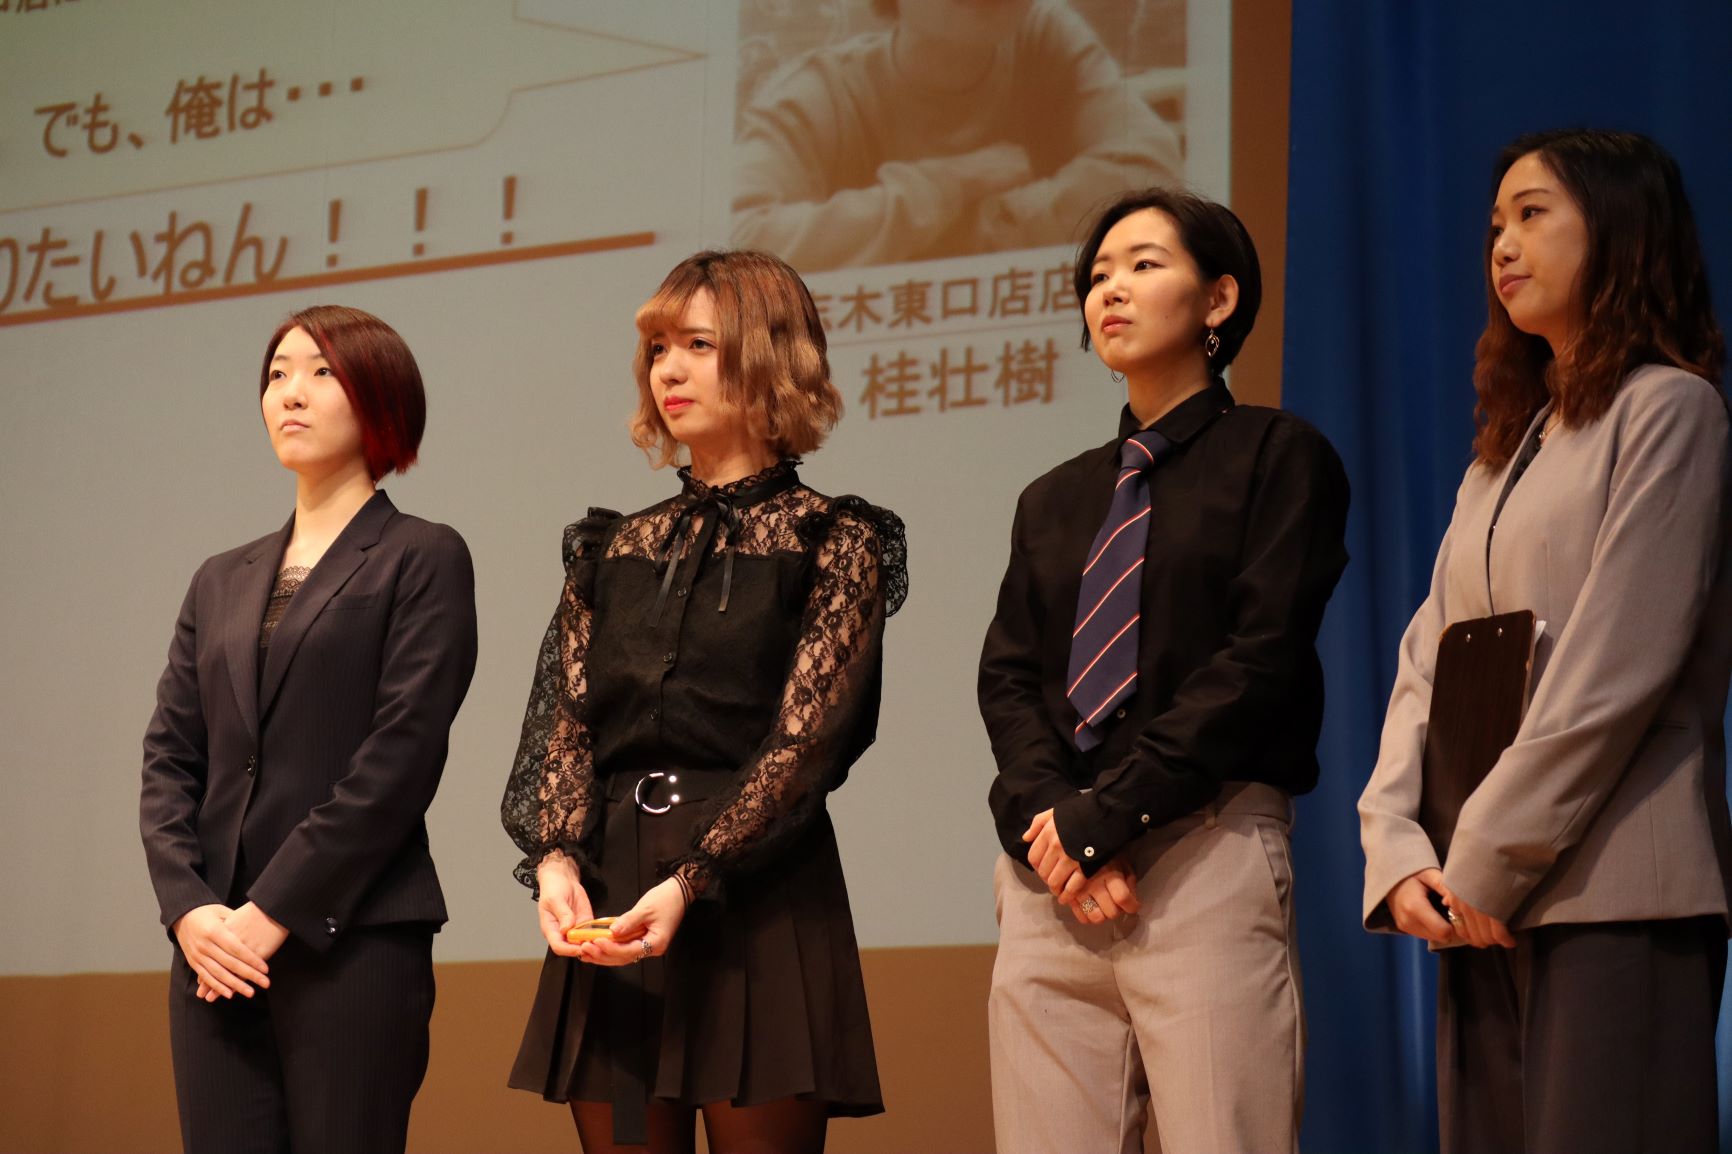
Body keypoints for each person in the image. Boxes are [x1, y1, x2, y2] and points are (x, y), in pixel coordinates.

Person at [1359, 128, 1732, 1154]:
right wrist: (1399, 848)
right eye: (1494, 224)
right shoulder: (1502, 452)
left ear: (1618, 230)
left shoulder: (1670, 410)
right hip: (1477, 896)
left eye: (1532, 214)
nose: (1502, 245)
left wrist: (1486, 856)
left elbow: (1615, 671)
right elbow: (1426, 661)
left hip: (1612, 889)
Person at [502, 249, 907, 1154]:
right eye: (657, 349)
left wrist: (695, 876)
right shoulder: (614, 548)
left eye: (697, 345)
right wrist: (559, 861)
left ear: (769, 355)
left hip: (757, 889)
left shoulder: (833, 539)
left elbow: (808, 743)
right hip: (613, 889)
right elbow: (566, 721)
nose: (668, 371)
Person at [979, 187, 1350, 1153]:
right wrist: (1057, 824)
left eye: (1144, 265)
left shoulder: (1279, 455)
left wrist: (1110, 817)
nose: (1111, 288)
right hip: (1051, 883)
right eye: (1098, 274)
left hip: (1202, 852)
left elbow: (1260, 659)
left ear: (1219, 298)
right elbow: (1010, 679)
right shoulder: (1053, 497)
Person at [138, 305, 479, 1154]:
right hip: (215, 951)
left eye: (322, 373)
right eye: (278, 374)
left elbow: (401, 754)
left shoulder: (421, 555)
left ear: (380, 399)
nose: (290, 392)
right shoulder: (220, 577)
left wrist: (275, 909)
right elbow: (171, 756)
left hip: (351, 940)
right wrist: (190, 910)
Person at [732, 0, 1182, 271]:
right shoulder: (819, 95)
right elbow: (742, 242)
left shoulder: (1045, 36)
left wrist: (986, 225)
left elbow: (1151, 167)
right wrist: (950, 183)